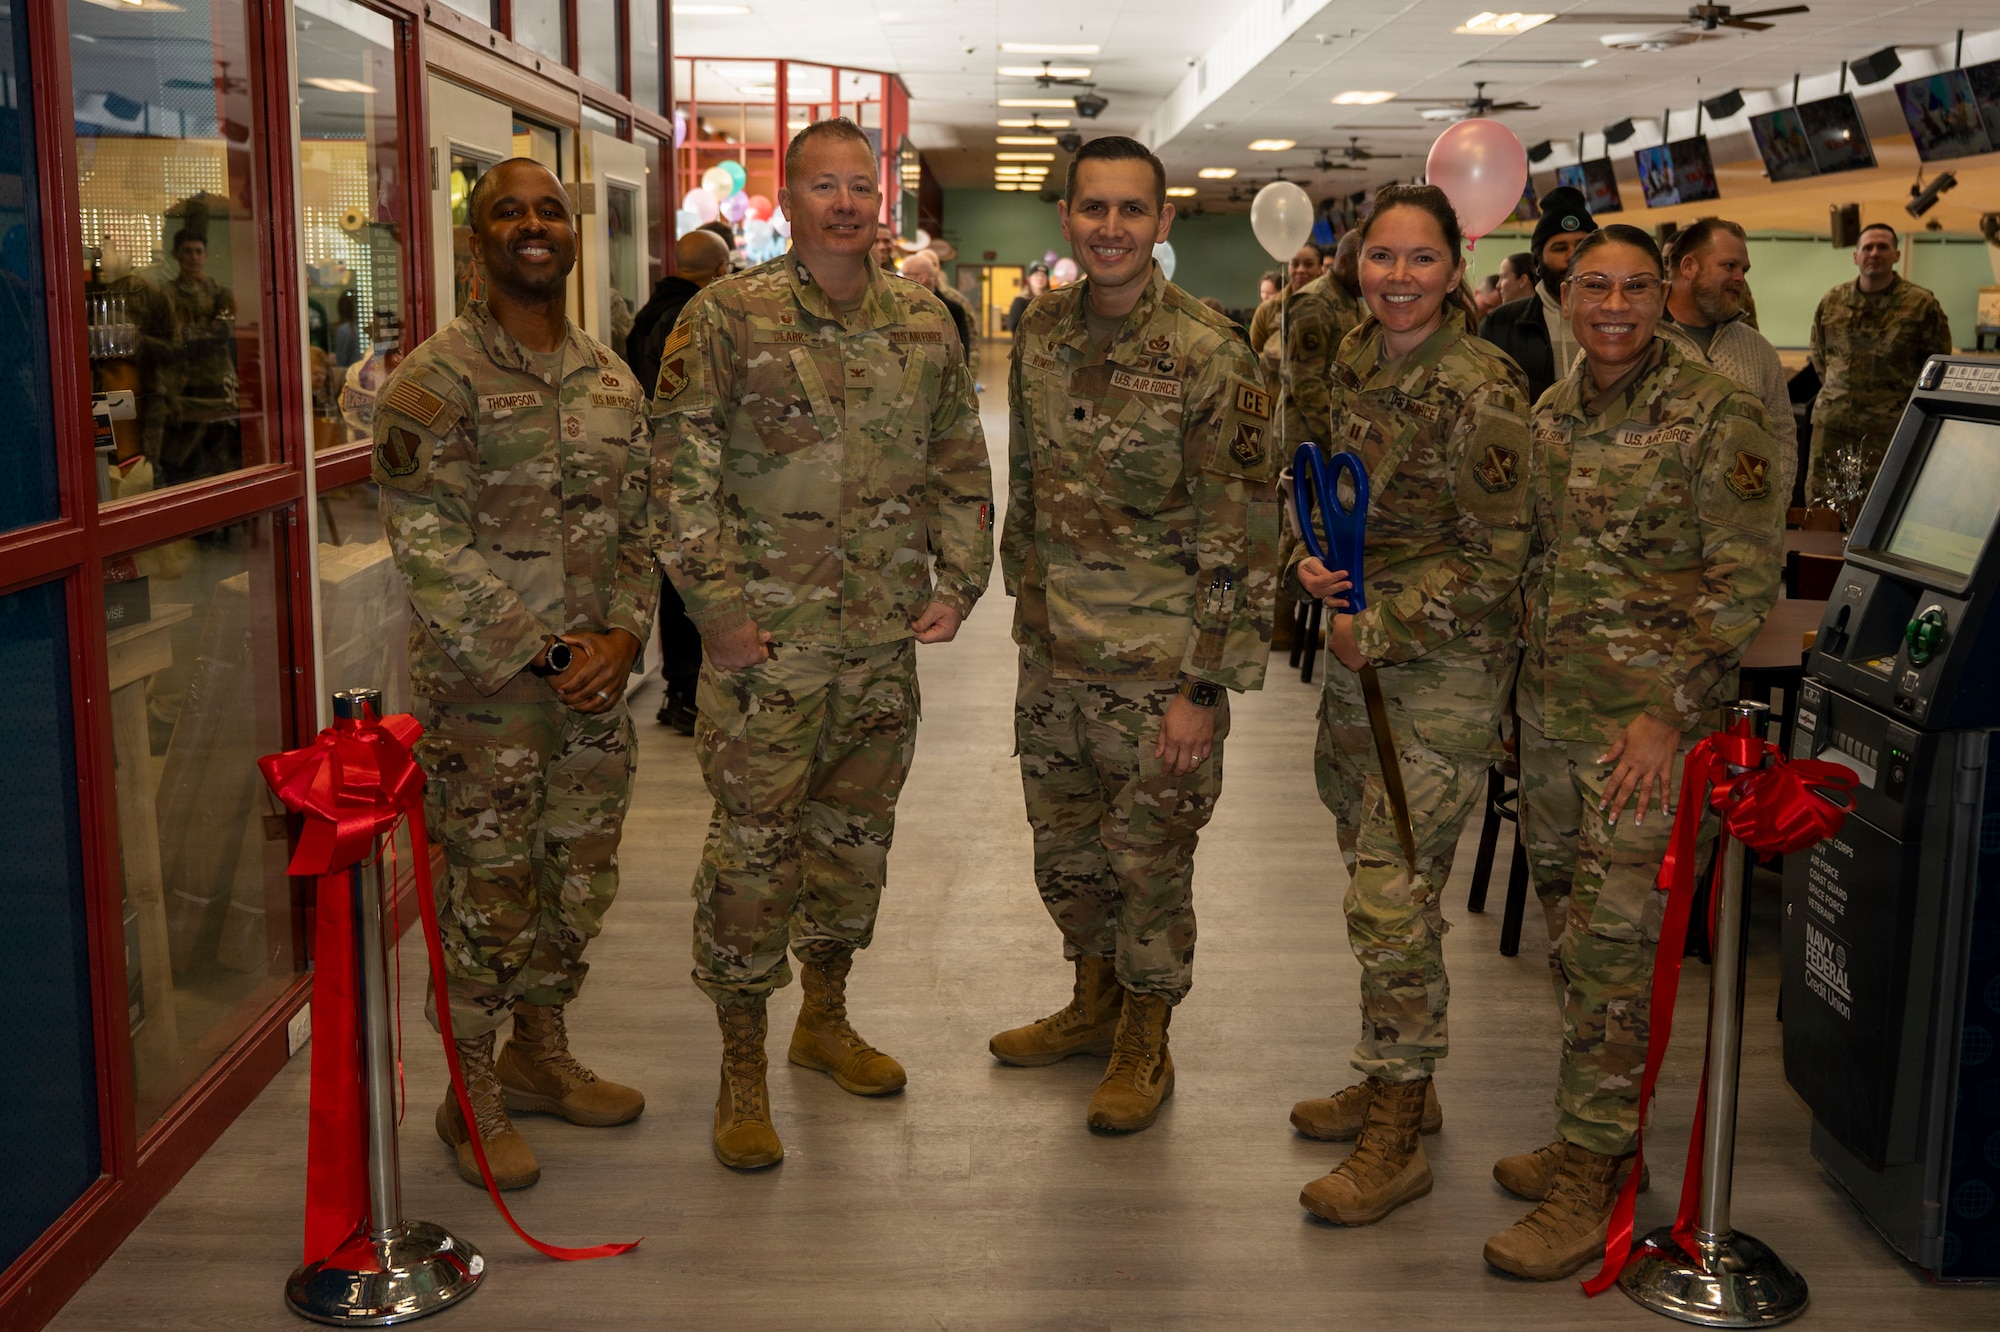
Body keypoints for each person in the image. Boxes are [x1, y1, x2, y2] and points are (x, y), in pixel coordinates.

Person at [655, 117, 994, 1170]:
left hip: (879, 647)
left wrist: (963, 579)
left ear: (877, 200)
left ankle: (825, 1016)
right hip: (767, 651)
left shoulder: (925, 322)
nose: (845, 203)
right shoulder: (725, 318)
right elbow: (678, 479)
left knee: (853, 847)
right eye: (823, 187)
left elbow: (960, 458)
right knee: (751, 856)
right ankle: (740, 1061)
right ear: (787, 200)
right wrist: (718, 613)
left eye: (860, 186)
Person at [1484, 224, 1784, 1280]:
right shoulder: (1552, 411)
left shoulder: (1716, 414)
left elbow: (1743, 580)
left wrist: (1665, 713)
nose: (1611, 303)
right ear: (1562, 295)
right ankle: (1597, 1139)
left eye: (1634, 286)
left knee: (1614, 962)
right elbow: (1536, 571)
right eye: (1591, 285)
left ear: (1665, 296)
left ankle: (1588, 1183)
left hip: (1645, 745)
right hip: (1556, 728)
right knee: (1575, 953)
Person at [373, 158, 658, 1192]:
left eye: (548, 210)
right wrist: (546, 652)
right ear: (476, 239)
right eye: (509, 212)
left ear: (571, 233)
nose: (532, 226)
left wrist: (623, 639)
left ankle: (540, 1052)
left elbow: (643, 527)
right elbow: (426, 543)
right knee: (491, 897)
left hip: (593, 699)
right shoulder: (434, 382)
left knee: (576, 886)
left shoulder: (611, 380)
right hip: (487, 705)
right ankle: (472, 1090)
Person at [990, 134, 1280, 1134]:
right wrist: (1022, 616)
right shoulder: (1036, 329)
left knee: (1148, 867)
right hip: (1055, 662)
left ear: (1161, 222)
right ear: (1065, 218)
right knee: (1065, 863)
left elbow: (1240, 537)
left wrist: (1204, 689)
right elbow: (1028, 486)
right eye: (1091, 208)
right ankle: (1091, 1001)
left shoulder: (1210, 354)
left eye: (1130, 210)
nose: (1109, 227)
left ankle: (1144, 1039)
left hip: (1158, 675)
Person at [1283, 184, 1535, 1226]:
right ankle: (1405, 1079)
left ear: (1455, 264)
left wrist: (1375, 629)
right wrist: (1310, 564)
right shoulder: (1353, 358)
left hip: (1435, 675)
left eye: (1418, 260)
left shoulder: (1483, 389)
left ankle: (1393, 1134)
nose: (1396, 279)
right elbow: (1335, 503)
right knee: (1376, 875)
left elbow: (1498, 559)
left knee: (1388, 900)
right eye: (1380, 258)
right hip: (1357, 666)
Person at [625, 229, 734, 735]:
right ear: (720, 268)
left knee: (674, 580)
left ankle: (679, 687)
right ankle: (688, 689)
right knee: (695, 579)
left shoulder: (647, 315)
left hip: (652, 467)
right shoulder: (697, 317)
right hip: (691, 473)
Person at [1806, 222, 1952, 509]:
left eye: (1883, 246)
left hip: (1890, 431)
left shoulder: (1921, 305)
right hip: (1833, 428)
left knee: (1884, 510)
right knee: (1822, 510)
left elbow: (1935, 366)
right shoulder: (1832, 301)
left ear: (1897, 254)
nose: (1875, 253)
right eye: (1868, 247)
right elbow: (1820, 357)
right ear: (1856, 256)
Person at [1659, 218, 1798, 473]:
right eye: (1729, 266)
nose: (1740, 278)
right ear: (1688, 266)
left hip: (1743, 511)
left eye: (1743, 270)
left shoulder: (1759, 351)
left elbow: (1782, 437)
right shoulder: (1632, 338)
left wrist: (1772, 507)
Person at [1479, 186, 1598, 403]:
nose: (1572, 257)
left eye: (1582, 246)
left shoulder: (1618, 316)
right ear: (1538, 263)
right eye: (1560, 248)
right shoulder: (1501, 325)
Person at [155, 230, 241, 486]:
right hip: (183, 387)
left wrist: (190, 333)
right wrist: (201, 332)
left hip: (218, 385)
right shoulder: (167, 294)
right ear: (176, 255)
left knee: (223, 456)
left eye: (198, 251)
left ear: (206, 255)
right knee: (185, 464)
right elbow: (172, 336)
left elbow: (224, 330)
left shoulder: (220, 292)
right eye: (187, 252)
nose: (193, 258)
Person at [1274, 227, 1365, 450]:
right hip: (1308, 439)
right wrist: (1337, 438)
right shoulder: (1314, 302)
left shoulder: (1353, 300)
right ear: (1344, 262)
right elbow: (1306, 383)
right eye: (1365, 264)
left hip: (1336, 432)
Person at [1248, 242, 1322, 357]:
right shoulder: (1267, 309)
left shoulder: (1332, 306)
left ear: (1320, 268)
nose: (1301, 270)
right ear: (1288, 266)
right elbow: (1252, 355)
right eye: (1295, 264)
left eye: (1308, 264)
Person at [898, 248, 972, 353]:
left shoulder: (952, 310)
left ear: (922, 278)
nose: (899, 280)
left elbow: (963, 352)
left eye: (904, 275)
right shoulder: (897, 306)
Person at [1006, 262, 1050, 332]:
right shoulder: (1020, 300)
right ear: (1029, 279)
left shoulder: (1052, 299)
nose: (1040, 278)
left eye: (1043, 275)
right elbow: (1014, 325)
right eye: (1036, 275)